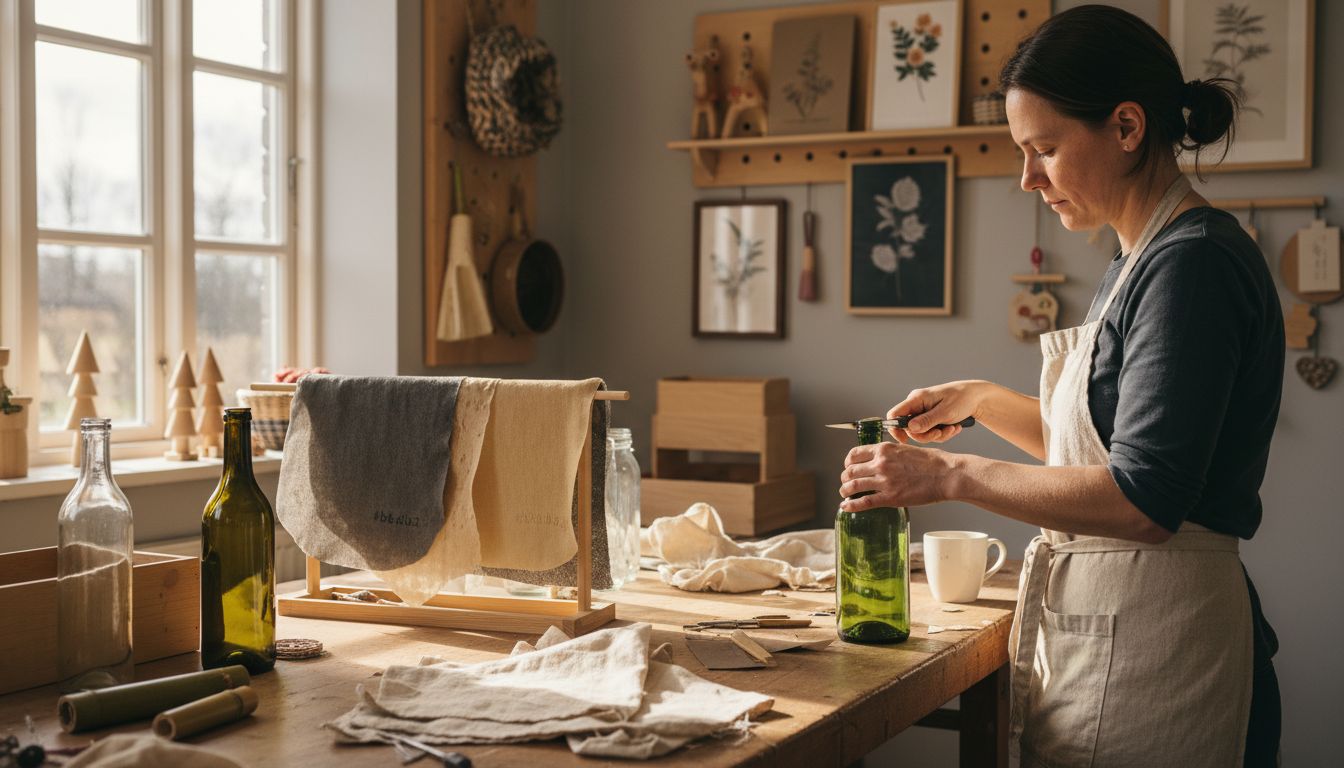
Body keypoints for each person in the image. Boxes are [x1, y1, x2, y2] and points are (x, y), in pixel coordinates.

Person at [837, 5, 1281, 766]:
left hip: (1164, 655)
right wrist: (981, 400)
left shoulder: (1191, 267)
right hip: (1126, 634)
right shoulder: (1137, 260)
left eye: (1043, 148)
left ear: (1128, 127)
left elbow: (1145, 498)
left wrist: (948, 473)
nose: (1027, 178)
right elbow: (1111, 447)